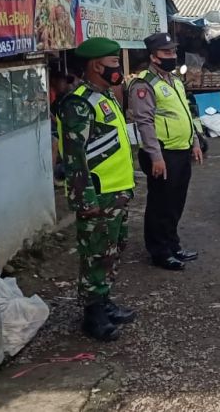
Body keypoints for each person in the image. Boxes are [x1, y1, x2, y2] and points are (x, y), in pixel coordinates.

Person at [58, 38, 136, 341]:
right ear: (96, 65)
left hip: (116, 190)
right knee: (96, 254)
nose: (118, 68)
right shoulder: (78, 103)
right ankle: (93, 315)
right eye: (114, 63)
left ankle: (104, 301)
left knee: (113, 250)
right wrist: (84, 197)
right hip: (98, 193)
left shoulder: (104, 95)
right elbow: (75, 156)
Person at [127, 32, 204, 271]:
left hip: (180, 150)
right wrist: (155, 156)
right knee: (160, 204)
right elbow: (145, 122)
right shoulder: (144, 84)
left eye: (173, 52)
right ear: (153, 56)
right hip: (161, 153)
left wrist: (195, 142)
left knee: (176, 202)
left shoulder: (174, 81)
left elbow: (185, 114)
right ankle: (159, 251)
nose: (172, 56)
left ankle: (173, 244)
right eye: (166, 53)